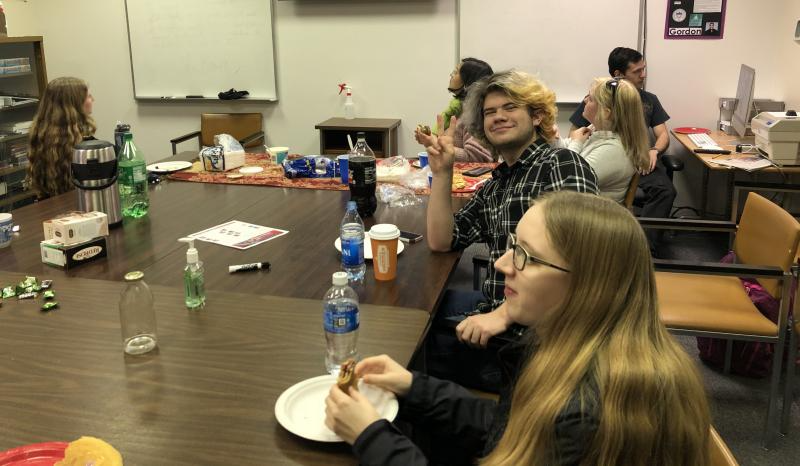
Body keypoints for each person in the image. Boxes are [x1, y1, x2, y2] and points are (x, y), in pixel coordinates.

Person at [325, 191, 712, 466]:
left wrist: (372, 437)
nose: (502, 264)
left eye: (526, 256)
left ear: (587, 284)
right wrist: (413, 387)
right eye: (514, 245)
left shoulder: (586, 417)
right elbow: (509, 429)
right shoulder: (566, 347)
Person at [424, 70, 598, 391]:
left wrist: (503, 315)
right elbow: (442, 239)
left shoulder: (560, 163)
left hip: (531, 343)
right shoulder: (497, 184)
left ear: (537, 117)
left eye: (509, 108)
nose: (498, 117)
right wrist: (443, 172)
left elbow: (582, 257)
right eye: (490, 112)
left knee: (412, 349)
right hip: (494, 311)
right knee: (420, 311)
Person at [569, 47, 676, 254]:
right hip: (617, 161)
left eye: (643, 69)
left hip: (639, 158)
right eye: (637, 71)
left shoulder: (648, 99)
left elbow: (663, 134)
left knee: (665, 190)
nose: (643, 75)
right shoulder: (598, 100)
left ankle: (646, 248)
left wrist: (654, 150)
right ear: (618, 74)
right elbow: (575, 133)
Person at [562, 77, 649, 203]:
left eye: (590, 99)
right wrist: (549, 133)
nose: (585, 100)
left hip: (590, 218)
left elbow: (566, 182)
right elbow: (564, 147)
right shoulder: (597, 131)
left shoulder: (613, 151)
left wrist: (576, 143)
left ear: (606, 112)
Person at [27, 76, 96, 199]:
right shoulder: (82, 145)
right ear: (74, 104)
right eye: (88, 96)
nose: (93, 99)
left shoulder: (41, 136)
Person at [414, 57, 494, 162]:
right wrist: (429, 140)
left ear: (468, 82)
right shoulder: (457, 109)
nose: (451, 75)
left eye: (456, 72)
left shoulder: (475, 114)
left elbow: (477, 158)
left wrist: (435, 143)